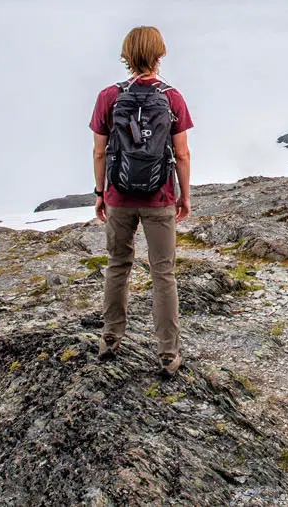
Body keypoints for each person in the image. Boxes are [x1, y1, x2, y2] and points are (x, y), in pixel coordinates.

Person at [89, 26, 193, 375]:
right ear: (159, 54)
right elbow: (182, 154)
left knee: (118, 265)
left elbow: (100, 151)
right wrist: (184, 196)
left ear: (126, 56)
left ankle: (110, 337)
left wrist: (101, 193)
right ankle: (167, 353)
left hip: (119, 195)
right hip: (159, 196)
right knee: (163, 273)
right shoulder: (172, 97)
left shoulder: (109, 96)